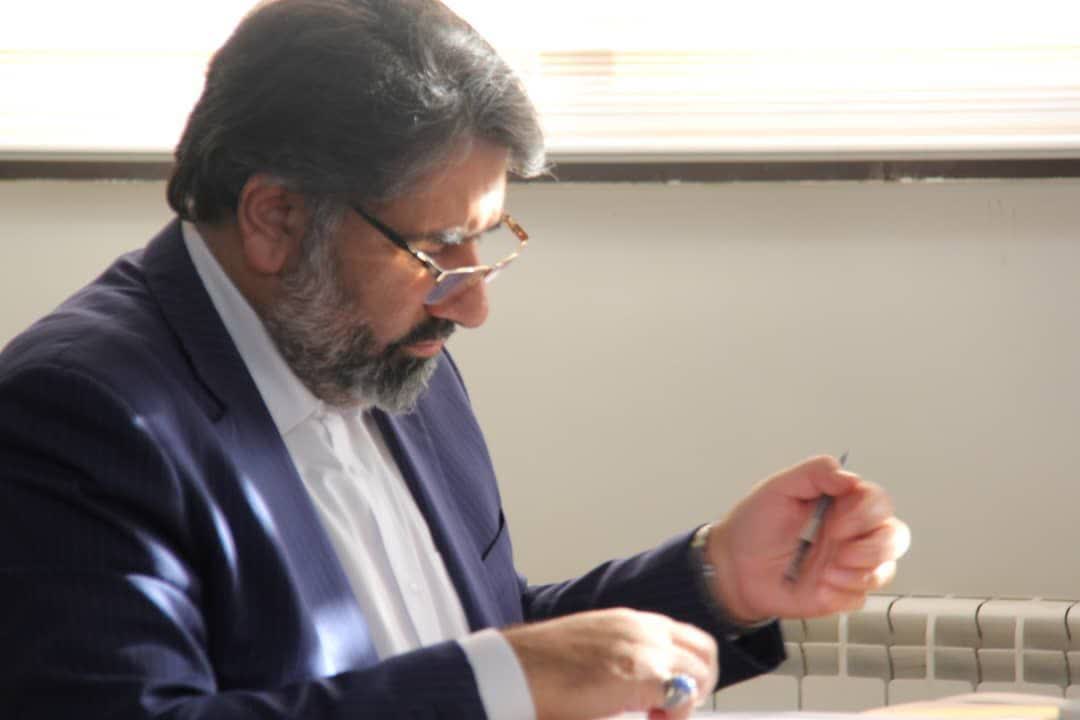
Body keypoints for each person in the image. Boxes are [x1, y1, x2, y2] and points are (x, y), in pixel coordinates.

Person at [0, 1, 910, 718]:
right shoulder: (75, 414)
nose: (472, 302)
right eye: (437, 248)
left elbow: (477, 640)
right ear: (275, 217)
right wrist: (506, 677)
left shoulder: (386, 349)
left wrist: (719, 579)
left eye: (486, 239)